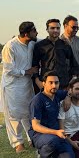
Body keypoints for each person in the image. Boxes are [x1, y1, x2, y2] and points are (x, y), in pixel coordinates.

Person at [1, 22, 38, 153]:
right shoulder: (10, 46)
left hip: (27, 84)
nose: (37, 33)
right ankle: (18, 143)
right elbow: (8, 69)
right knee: (14, 114)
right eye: (34, 31)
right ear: (26, 34)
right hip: (13, 85)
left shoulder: (32, 43)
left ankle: (32, 138)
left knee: (29, 112)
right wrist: (27, 71)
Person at [28, 71, 74, 158]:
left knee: (69, 155)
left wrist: (68, 97)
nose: (54, 85)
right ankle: (41, 153)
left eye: (56, 83)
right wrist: (55, 132)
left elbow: (68, 92)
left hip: (57, 134)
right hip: (40, 135)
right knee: (54, 140)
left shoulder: (57, 94)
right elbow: (36, 126)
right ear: (44, 84)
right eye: (51, 82)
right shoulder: (37, 100)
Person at [32, 19, 79, 90]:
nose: (55, 30)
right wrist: (37, 81)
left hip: (63, 85)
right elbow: (35, 65)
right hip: (46, 84)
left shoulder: (65, 45)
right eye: (52, 28)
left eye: (58, 28)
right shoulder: (40, 45)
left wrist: (72, 81)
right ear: (47, 29)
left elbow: (74, 64)